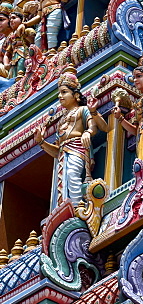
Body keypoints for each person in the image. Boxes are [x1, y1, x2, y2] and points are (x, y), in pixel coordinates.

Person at [35, 67, 95, 207]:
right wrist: (41, 142)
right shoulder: (61, 120)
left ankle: (77, 206)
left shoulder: (82, 110)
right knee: (61, 181)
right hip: (63, 153)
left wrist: (87, 132)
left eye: (64, 92)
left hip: (77, 148)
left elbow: (92, 126)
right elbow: (57, 152)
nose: (60, 96)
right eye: (59, 93)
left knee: (72, 175)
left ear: (76, 95)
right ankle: (65, 207)